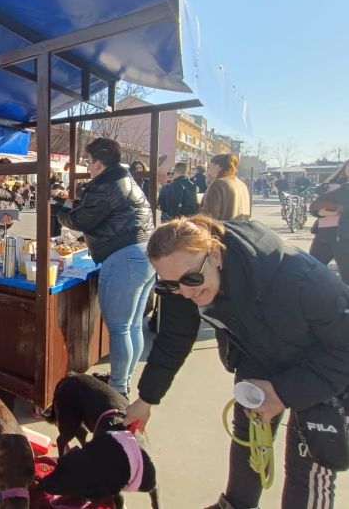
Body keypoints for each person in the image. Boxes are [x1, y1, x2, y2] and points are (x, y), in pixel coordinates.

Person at [124, 215, 349, 509]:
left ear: (215, 254)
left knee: (307, 463)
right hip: (258, 355)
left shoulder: (297, 278)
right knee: (249, 440)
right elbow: (173, 340)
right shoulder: (181, 280)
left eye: (193, 280)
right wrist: (147, 398)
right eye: (170, 286)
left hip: (325, 369)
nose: (187, 293)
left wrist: (283, 393)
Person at [53, 138, 155, 396]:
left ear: (99, 163)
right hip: (143, 256)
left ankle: (118, 389)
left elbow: (81, 220)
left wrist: (56, 208)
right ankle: (123, 378)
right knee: (132, 326)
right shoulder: (123, 179)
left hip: (123, 257)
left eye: (88, 161)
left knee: (121, 328)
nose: (87, 165)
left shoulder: (108, 184)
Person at [309, 160, 349, 284]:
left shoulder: (337, 188)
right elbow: (313, 206)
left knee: (346, 276)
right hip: (323, 234)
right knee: (311, 270)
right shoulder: (330, 185)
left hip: (344, 237)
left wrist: (337, 205)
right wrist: (319, 212)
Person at [200, 154, 250, 221]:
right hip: (240, 229)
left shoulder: (218, 184)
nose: (208, 170)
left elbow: (208, 216)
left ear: (218, 166)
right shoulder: (242, 184)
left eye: (210, 166)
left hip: (222, 229)